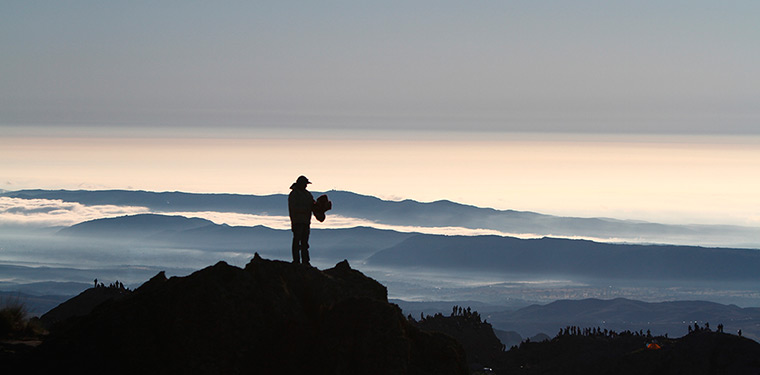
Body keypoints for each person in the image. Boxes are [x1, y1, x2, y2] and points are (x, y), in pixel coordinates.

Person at [288, 175, 315, 265]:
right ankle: (296, 261)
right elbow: (293, 208)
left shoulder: (307, 194)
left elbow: (312, 204)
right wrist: (306, 209)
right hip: (297, 221)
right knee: (297, 241)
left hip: (306, 221)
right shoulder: (294, 194)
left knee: (304, 242)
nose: (306, 186)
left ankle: (305, 261)